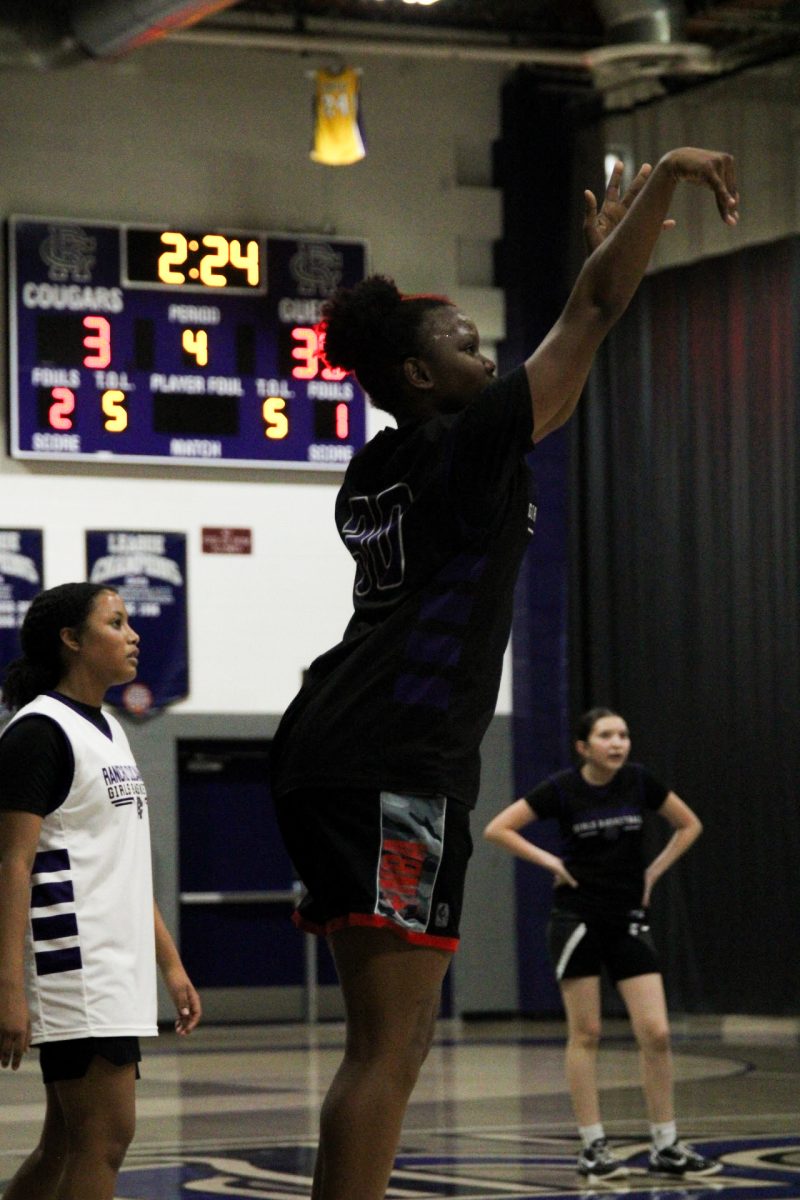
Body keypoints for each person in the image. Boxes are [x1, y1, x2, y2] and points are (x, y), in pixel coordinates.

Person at [270, 149, 738, 1200]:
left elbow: (560, 379)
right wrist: (660, 176)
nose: (491, 360)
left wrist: (609, 256)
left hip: (328, 746)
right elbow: (590, 313)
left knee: (383, 1041)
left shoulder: (378, 464)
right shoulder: (457, 443)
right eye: (468, 347)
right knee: (387, 1051)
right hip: (395, 759)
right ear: (422, 379)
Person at [0, 582, 201, 1200]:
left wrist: (170, 964)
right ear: (72, 641)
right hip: (75, 970)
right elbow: (12, 864)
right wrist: (8, 990)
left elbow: (118, 864)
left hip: (117, 966)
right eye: (116, 623)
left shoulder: (110, 728)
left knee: (66, 1144)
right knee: (105, 1139)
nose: (134, 634)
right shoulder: (38, 731)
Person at [484, 707, 722, 1184]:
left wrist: (653, 872)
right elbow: (498, 828)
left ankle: (666, 1144)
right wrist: (550, 860)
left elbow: (688, 824)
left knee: (655, 1032)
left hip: (627, 918)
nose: (618, 743)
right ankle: (594, 1146)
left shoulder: (638, 782)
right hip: (576, 918)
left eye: (623, 735)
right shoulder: (561, 789)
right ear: (583, 746)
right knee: (587, 1032)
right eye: (606, 735)